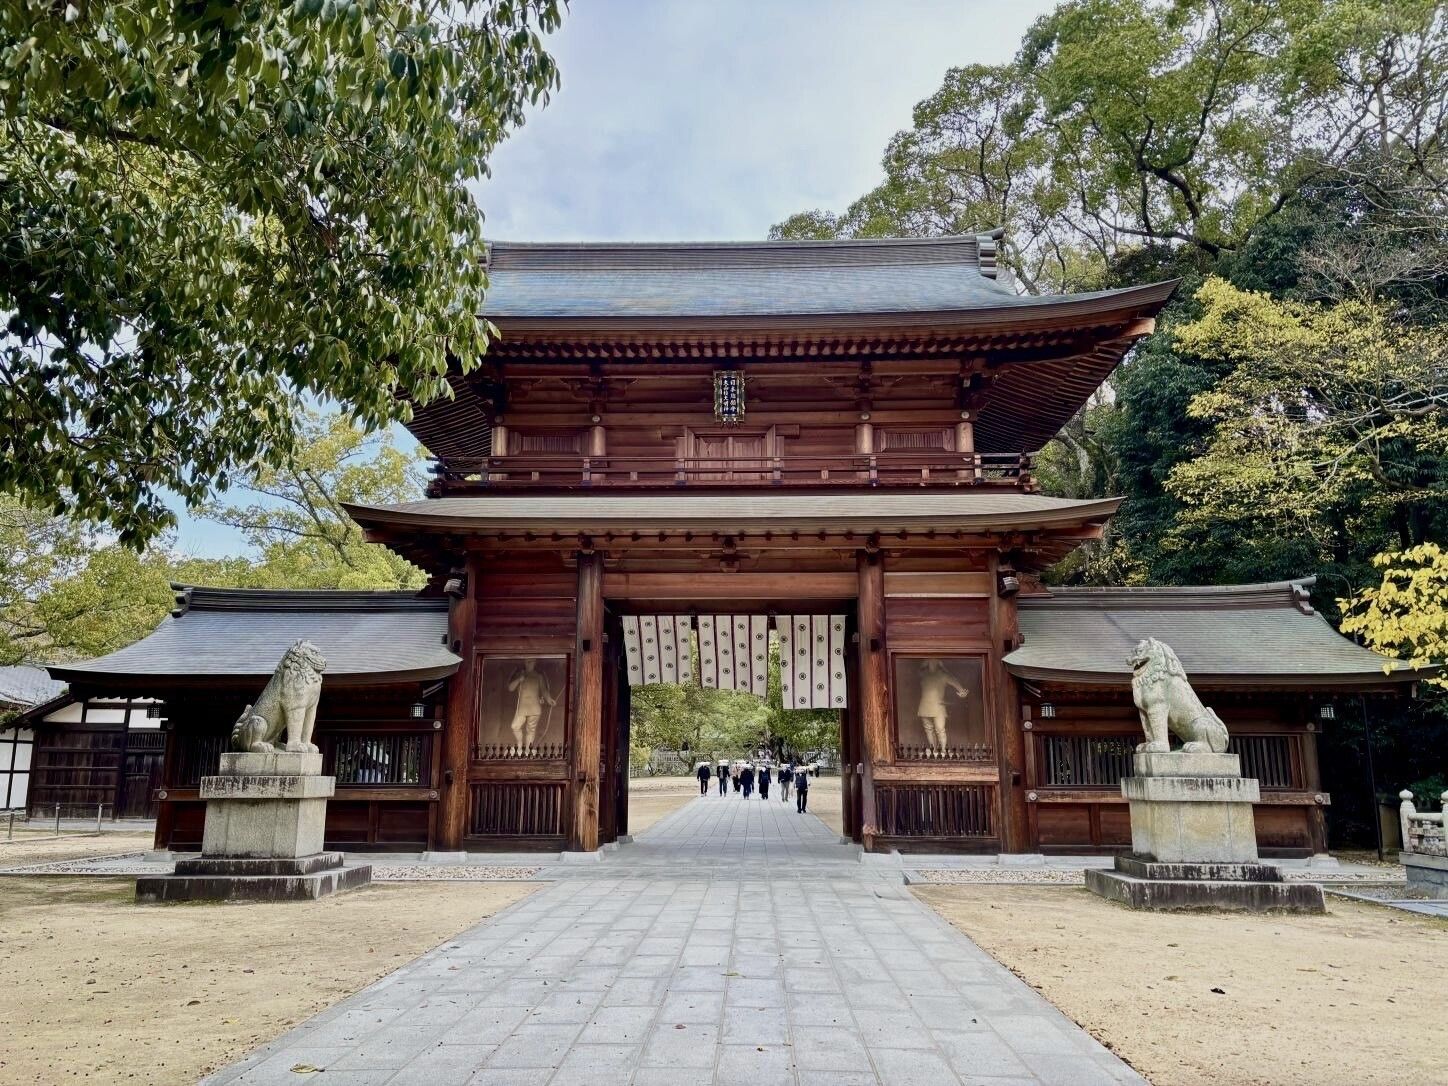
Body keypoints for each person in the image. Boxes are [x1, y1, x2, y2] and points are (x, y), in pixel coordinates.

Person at [917, 658, 968, 752]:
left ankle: (944, 751)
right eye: (930, 661)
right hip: (924, 705)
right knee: (929, 729)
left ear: (938, 662)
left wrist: (961, 691)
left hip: (938, 706)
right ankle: (933, 750)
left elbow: (955, 682)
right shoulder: (923, 674)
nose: (931, 663)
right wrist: (923, 664)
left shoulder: (944, 675)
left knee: (940, 729)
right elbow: (917, 672)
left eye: (934, 661)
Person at [506, 657, 556, 749]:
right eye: (527, 661)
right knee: (515, 726)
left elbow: (544, 690)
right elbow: (510, 688)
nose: (529, 663)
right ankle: (519, 745)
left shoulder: (538, 676)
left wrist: (549, 699)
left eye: (531, 661)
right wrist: (518, 680)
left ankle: (529, 750)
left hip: (534, 707)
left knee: (531, 730)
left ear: (535, 662)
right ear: (524, 662)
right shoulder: (520, 675)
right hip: (522, 707)